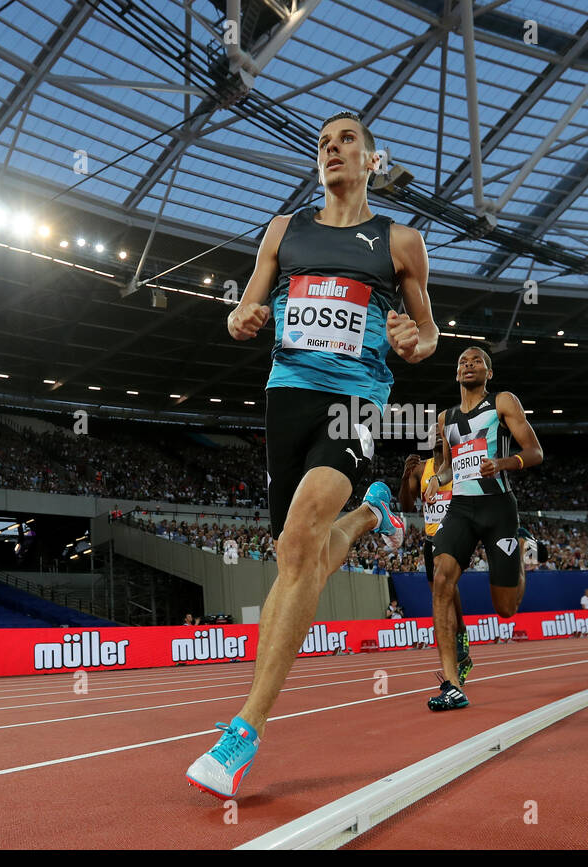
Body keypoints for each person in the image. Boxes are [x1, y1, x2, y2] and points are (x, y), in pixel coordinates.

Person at [185, 111, 438, 799]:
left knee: (298, 541)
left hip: (354, 400)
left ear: (372, 158)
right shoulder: (282, 231)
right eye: (324, 144)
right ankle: (367, 518)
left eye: (345, 140)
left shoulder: (400, 241)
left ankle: (244, 730)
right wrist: (240, 318)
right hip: (286, 396)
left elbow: (427, 335)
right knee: (294, 556)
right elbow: (243, 310)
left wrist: (414, 340)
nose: (332, 149)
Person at [424, 346, 542, 711]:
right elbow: (448, 464)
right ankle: (452, 684)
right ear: (456, 373)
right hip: (461, 507)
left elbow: (535, 451)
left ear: (489, 373)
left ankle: (519, 551)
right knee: (442, 577)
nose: (468, 364)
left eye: (477, 361)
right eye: (462, 361)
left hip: (498, 508)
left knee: (505, 609)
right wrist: (436, 480)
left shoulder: (503, 403)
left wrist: (502, 463)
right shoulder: (446, 418)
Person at [399, 441, 473, 684]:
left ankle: (460, 637)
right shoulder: (422, 469)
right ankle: (460, 653)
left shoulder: (458, 467)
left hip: (453, 534)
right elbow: (407, 506)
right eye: (435, 438)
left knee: (446, 586)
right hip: (431, 538)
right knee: (441, 598)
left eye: (443, 438)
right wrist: (405, 477)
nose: (439, 442)